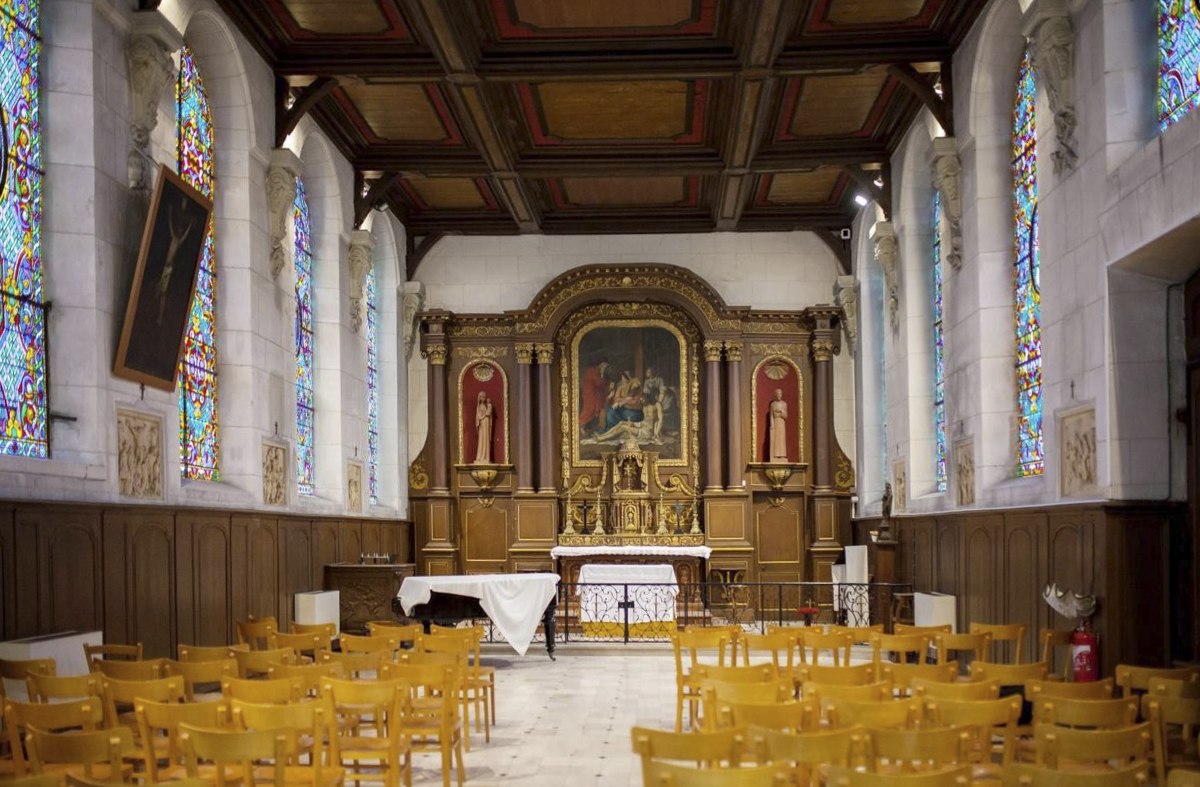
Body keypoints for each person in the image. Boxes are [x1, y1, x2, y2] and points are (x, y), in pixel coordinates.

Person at [579, 359, 610, 433]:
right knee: (590, 409)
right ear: (599, 364)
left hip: (594, 393)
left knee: (595, 409)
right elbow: (599, 383)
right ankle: (581, 426)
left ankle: (589, 428)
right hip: (590, 393)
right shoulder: (592, 371)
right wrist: (602, 373)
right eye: (603, 365)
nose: (603, 367)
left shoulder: (595, 370)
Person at [474, 391, 494, 464]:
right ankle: (480, 457)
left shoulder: (487, 405)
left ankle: (486, 457)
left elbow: (489, 413)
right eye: (482, 397)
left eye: (484, 397)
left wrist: (488, 407)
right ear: (479, 398)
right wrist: (484, 416)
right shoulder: (479, 407)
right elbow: (478, 416)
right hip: (482, 424)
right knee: (482, 440)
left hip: (486, 423)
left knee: (486, 439)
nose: (483, 398)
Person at [769, 388, 788, 462]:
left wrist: (781, 411)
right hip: (775, 422)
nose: (779, 395)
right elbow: (771, 415)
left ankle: (782, 455)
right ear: (775, 395)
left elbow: (786, 416)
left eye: (780, 394)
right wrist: (772, 424)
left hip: (781, 422)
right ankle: (776, 455)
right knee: (776, 439)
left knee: (781, 439)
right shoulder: (773, 404)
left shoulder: (784, 404)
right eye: (777, 394)